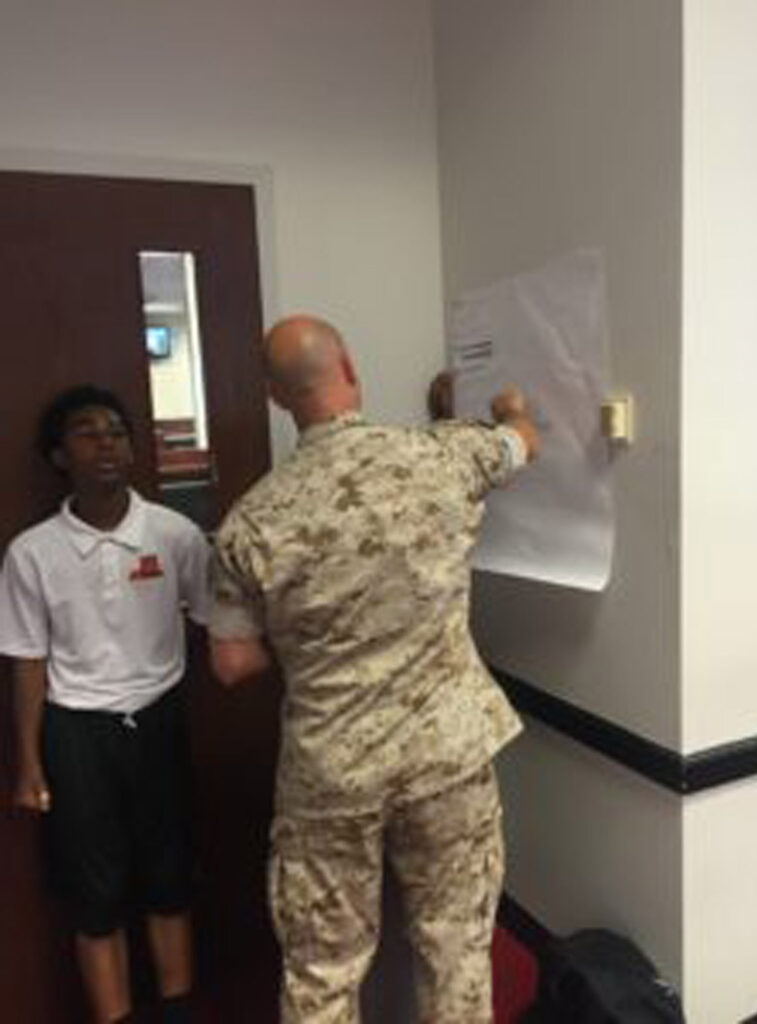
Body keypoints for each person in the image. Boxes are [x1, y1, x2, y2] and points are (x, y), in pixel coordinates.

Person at [208, 316, 540, 1024]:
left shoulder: (249, 523)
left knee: (323, 972)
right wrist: (504, 410)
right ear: (350, 367)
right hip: (446, 754)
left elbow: (232, 663)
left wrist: (309, 647)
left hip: (331, 772)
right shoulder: (443, 460)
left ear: (275, 396)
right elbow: (523, 441)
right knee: (456, 950)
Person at [0, 385, 210, 1024]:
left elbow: (211, 620)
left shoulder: (175, 533)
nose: (107, 445)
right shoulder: (31, 552)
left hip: (158, 719)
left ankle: (178, 1012)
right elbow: (28, 662)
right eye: (87, 434)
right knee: (96, 895)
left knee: (170, 880)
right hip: (78, 734)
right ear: (59, 455)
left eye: (117, 432)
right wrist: (32, 765)